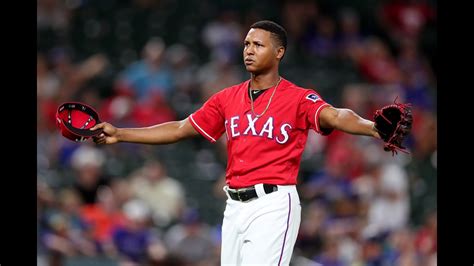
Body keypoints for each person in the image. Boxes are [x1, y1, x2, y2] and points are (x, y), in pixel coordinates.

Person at [91, 20, 381, 265]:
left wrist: (372, 128)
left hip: (273, 203)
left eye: (258, 45)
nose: (249, 50)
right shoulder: (227, 98)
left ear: (279, 52)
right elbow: (180, 129)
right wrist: (121, 133)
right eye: (246, 44)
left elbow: (336, 115)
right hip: (234, 206)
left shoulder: (297, 97)